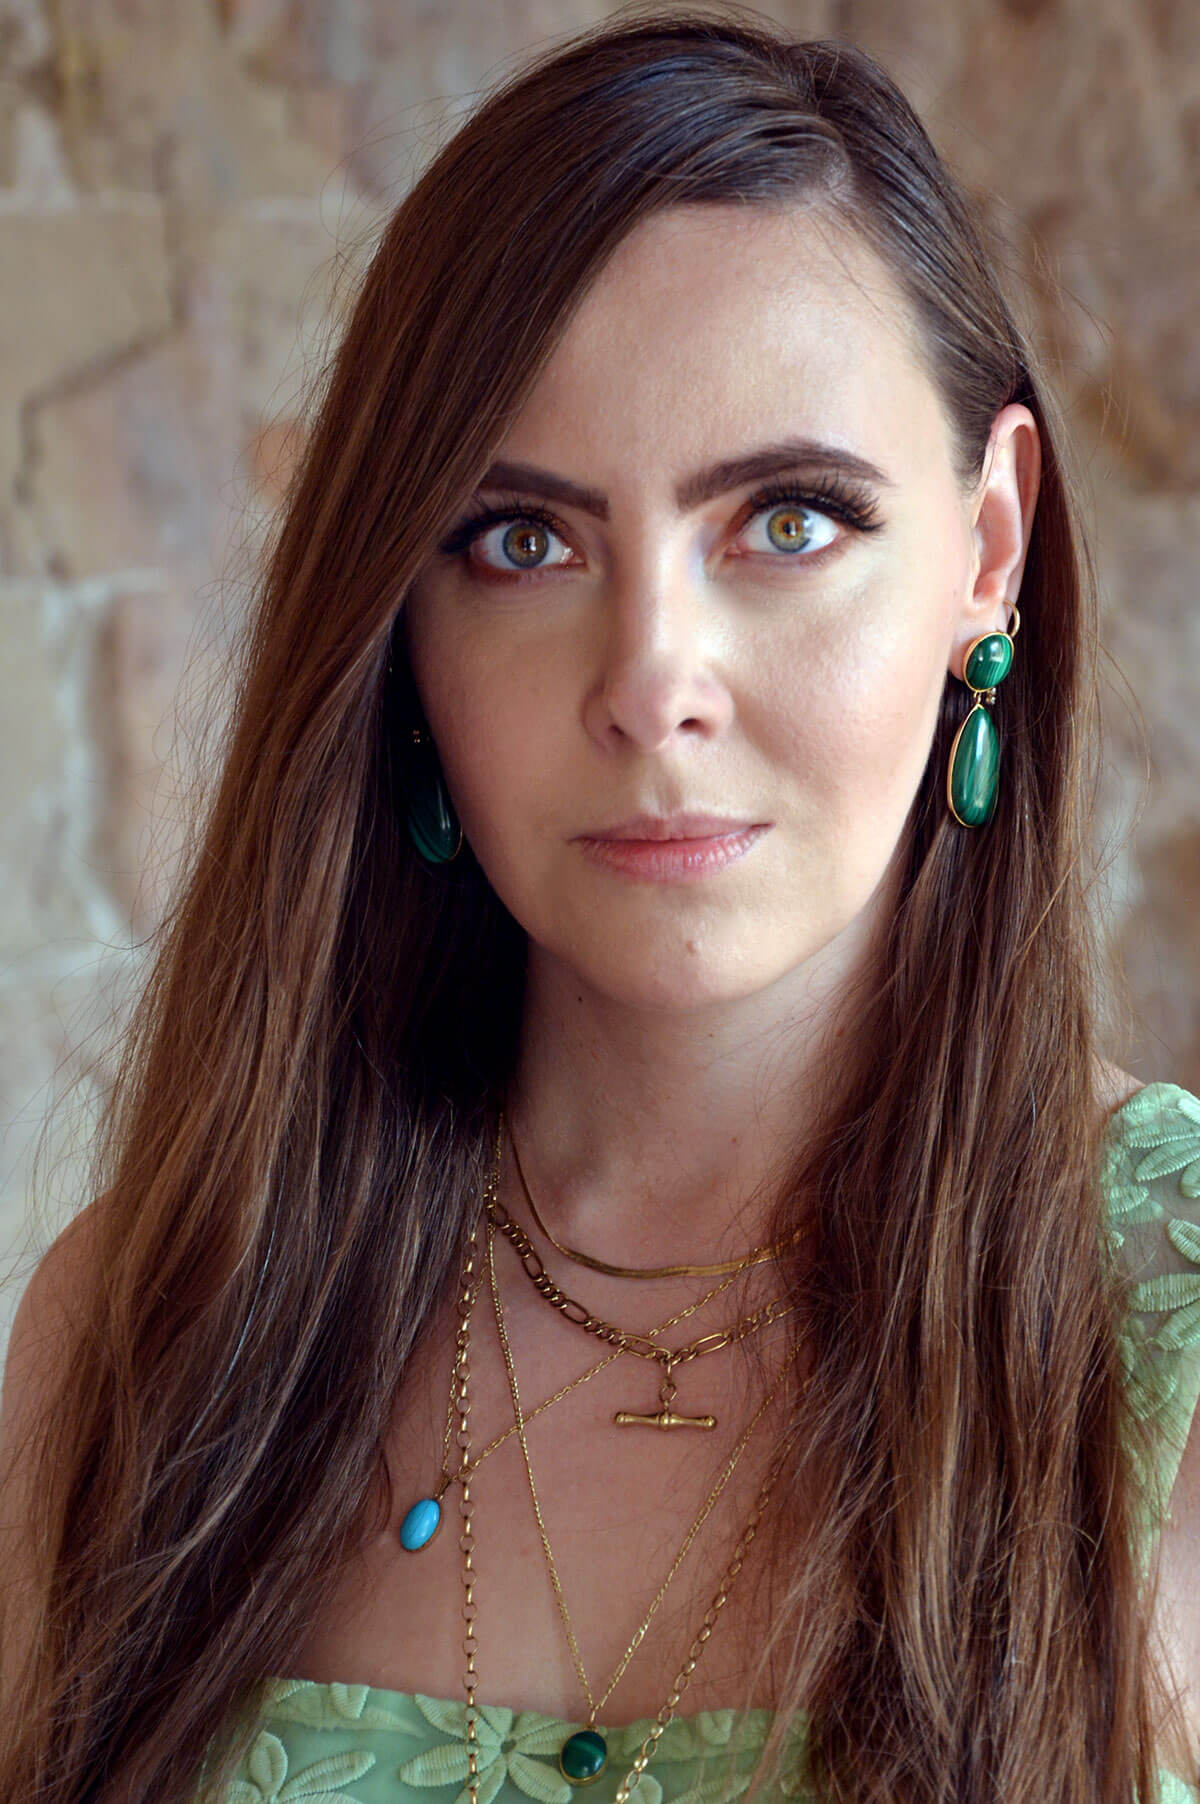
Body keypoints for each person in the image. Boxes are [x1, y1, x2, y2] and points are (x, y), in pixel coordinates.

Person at [2, 9, 1199, 1803]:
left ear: (988, 547)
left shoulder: (1171, 1321)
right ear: (402, 625)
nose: (651, 684)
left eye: (787, 522)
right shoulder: (144, 1328)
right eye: (523, 541)